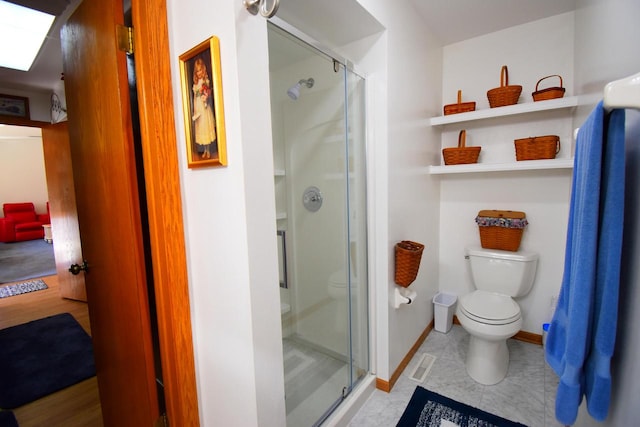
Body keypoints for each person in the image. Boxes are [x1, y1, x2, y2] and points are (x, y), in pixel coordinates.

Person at [191, 57, 217, 159]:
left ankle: (208, 149)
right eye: (197, 71)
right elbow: (194, 98)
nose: (199, 73)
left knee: (206, 127)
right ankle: (204, 150)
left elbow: (207, 93)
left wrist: (206, 98)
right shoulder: (195, 85)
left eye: (200, 70)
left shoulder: (205, 81)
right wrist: (194, 109)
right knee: (201, 129)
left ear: (204, 69)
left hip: (204, 108)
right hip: (198, 109)